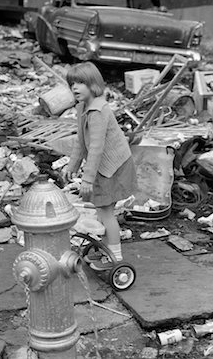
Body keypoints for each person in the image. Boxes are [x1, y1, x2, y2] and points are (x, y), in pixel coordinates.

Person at [65, 62, 137, 271]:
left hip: (113, 167)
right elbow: (81, 140)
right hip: (105, 167)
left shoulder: (98, 111)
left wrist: (87, 179)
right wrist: (73, 164)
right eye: (72, 84)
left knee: (106, 212)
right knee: (102, 210)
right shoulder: (83, 107)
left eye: (80, 83)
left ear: (93, 84)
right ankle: (108, 249)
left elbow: (96, 147)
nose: (75, 88)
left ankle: (114, 257)